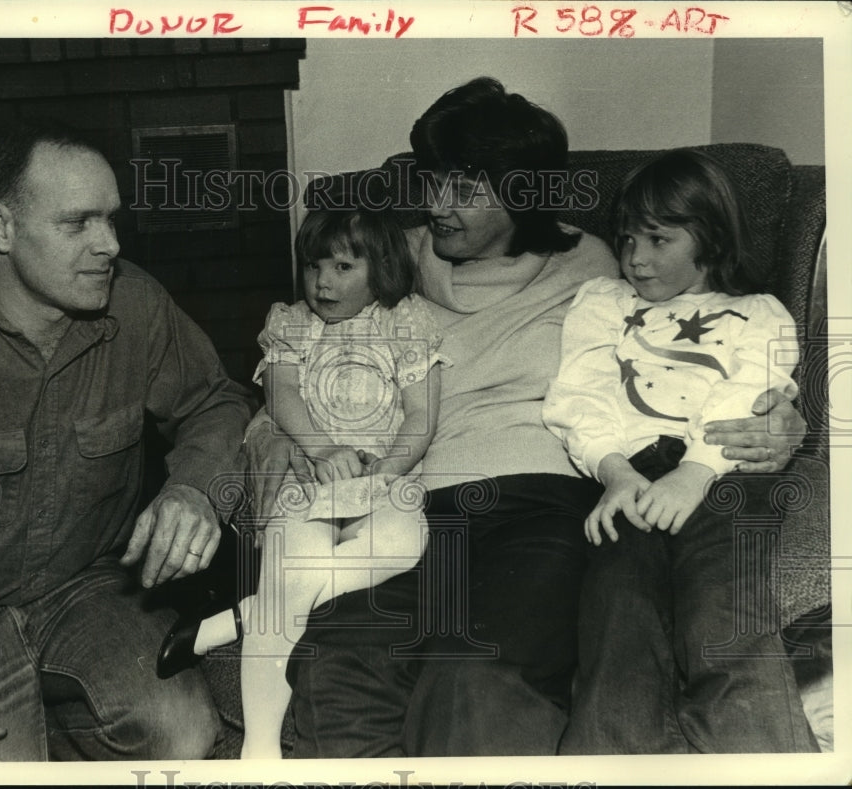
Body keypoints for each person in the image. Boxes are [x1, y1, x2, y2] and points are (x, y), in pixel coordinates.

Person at [244, 77, 807, 757]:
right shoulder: (395, 256)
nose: (436, 204)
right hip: (413, 514)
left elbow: (700, 341)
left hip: (543, 508)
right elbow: (301, 354)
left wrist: (786, 416)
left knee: (475, 672)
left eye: (463, 188)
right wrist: (280, 438)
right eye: (431, 181)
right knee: (337, 661)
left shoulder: (597, 265)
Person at [0, 121, 254, 761]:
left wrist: (194, 489)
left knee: (187, 733)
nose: (108, 243)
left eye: (111, 218)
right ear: (0, 227)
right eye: (77, 223)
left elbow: (215, 402)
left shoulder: (137, 305)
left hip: (85, 588)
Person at [542, 148, 818, 753]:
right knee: (618, 614)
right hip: (630, 472)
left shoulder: (757, 312)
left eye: (659, 240)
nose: (636, 258)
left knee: (722, 617)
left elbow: (752, 389)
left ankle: (759, 758)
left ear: (711, 240)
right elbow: (579, 389)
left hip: (724, 474)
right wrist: (614, 473)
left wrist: (695, 473)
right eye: (626, 239)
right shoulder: (604, 302)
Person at [158, 206, 443, 758]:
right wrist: (321, 449)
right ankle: (259, 751)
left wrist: (382, 477)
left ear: (381, 269)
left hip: (384, 478)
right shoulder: (292, 324)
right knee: (295, 569)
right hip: (307, 480)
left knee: (404, 542)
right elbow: (282, 398)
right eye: (313, 267)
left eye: (341, 267)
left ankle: (237, 617)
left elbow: (420, 419)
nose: (322, 283)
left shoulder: (407, 323)